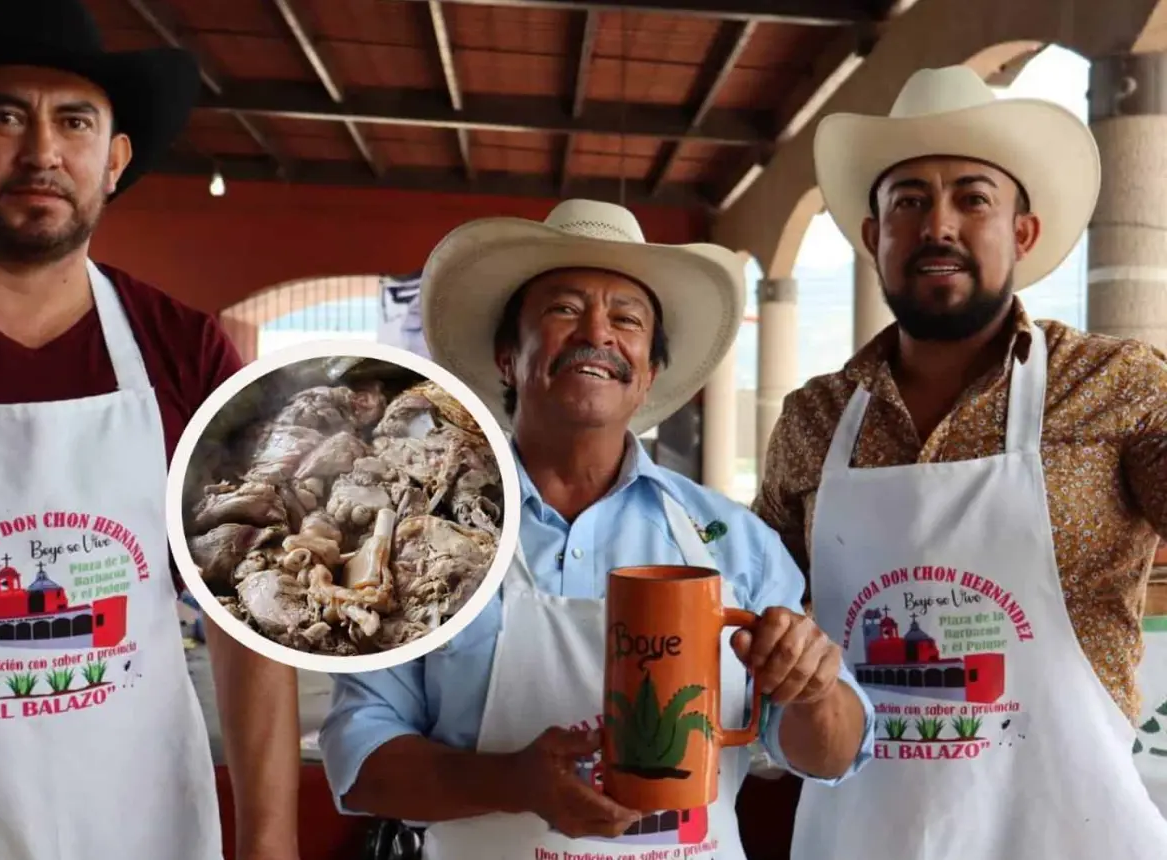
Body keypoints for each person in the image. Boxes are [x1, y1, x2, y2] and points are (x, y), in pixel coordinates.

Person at [316, 198, 877, 860]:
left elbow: (829, 755)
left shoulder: (731, 540)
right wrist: (511, 781)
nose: (597, 334)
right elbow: (360, 760)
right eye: (563, 309)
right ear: (506, 356)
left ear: (649, 375)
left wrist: (813, 692)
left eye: (628, 319)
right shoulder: (416, 536)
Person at [0, 2, 299, 859]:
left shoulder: (182, 348)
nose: (41, 151)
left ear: (113, 160)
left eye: (74, 121)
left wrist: (269, 844)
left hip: (137, 827)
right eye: (2, 117)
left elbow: (250, 615)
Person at [751, 66, 1167, 859]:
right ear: (874, 238)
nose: (937, 225)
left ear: (1022, 233)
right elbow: (766, 612)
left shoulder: (1116, 386)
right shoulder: (813, 419)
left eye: (973, 198)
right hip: (858, 836)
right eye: (908, 202)